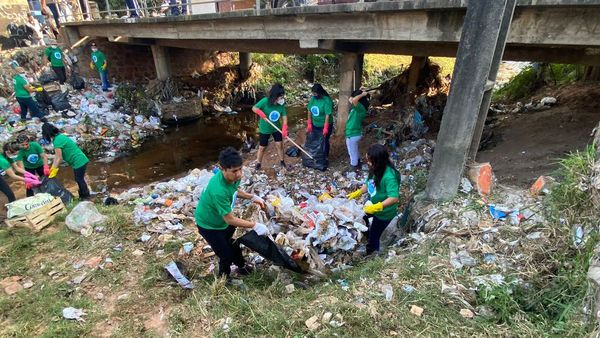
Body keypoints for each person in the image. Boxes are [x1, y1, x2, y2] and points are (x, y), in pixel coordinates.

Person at [195, 147, 269, 278]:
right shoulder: (218, 190)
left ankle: (242, 266)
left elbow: (234, 190)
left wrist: (251, 197)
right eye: (234, 171)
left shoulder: (233, 178)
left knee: (233, 243)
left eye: (240, 169)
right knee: (225, 255)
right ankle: (223, 279)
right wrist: (254, 225)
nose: (239, 174)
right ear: (222, 169)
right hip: (209, 225)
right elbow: (229, 219)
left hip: (221, 220)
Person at [347, 144, 400, 255]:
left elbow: (394, 198)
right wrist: (358, 192)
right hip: (372, 204)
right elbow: (369, 184)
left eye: (370, 161)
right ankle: (367, 232)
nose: (368, 163)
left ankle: (371, 252)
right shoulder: (375, 169)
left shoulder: (389, 177)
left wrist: (378, 207)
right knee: (362, 217)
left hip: (384, 213)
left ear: (378, 161)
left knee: (375, 234)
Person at [42, 123, 90, 200]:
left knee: (79, 179)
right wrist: (52, 168)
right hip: (79, 159)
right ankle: (83, 196)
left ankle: (86, 197)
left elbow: (59, 158)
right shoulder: (60, 137)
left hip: (78, 160)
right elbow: (57, 157)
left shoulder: (57, 141)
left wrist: (53, 170)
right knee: (79, 179)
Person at [252, 84, 288, 170]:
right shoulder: (265, 101)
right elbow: (254, 108)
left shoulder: (281, 104)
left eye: (283, 96)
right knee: (262, 147)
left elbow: (284, 116)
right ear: (275, 96)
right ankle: (258, 163)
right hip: (265, 129)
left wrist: (284, 127)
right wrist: (260, 112)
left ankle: (282, 161)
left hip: (276, 128)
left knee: (279, 144)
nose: (282, 98)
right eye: (280, 96)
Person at [306, 83, 334, 164]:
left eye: (315, 93)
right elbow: (309, 110)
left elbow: (327, 115)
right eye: (313, 93)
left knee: (324, 141)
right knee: (315, 140)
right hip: (315, 124)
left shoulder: (326, 100)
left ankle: (324, 157)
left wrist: (325, 127)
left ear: (320, 92)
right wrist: (309, 123)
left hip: (325, 124)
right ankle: (316, 155)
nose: (314, 95)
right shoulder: (313, 99)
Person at [345, 89, 370, 171]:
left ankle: (354, 168)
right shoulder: (357, 107)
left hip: (353, 133)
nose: (352, 99)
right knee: (354, 151)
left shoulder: (360, 108)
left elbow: (354, 100)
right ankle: (358, 164)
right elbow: (352, 99)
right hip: (352, 133)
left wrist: (362, 94)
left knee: (352, 153)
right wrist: (359, 92)